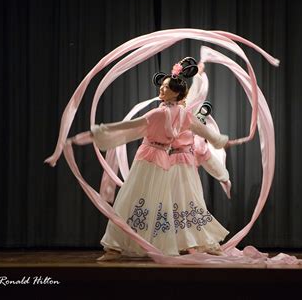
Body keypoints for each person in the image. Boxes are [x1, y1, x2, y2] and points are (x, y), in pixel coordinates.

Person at [68, 57, 230, 260]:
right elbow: (131, 126)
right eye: (161, 86)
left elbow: (203, 131)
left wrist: (219, 140)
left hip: (160, 160)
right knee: (134, 198)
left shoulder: (177, 115)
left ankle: (129, 246)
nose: (161, 90)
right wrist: (101, 131)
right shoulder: (165, 113)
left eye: (165, 87)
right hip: (150, 157)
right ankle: (115, 247)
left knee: (155, 203)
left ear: (177, 93)